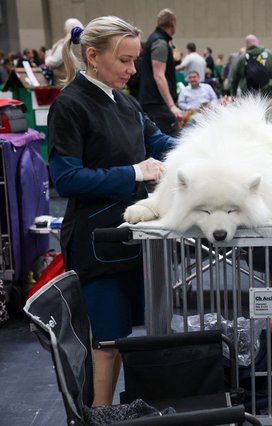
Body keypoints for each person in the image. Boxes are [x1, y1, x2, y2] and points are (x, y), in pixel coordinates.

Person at [47, 15, 175, 406]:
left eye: (135, 60)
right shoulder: (70, 106)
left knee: (123, 339)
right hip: (97, 243)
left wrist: (213, 145)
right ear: (92, 56)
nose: (132, 70)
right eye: (124, 60)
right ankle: (99, 416)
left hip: (132, 239)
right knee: (106, 342)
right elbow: (66, 178)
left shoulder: (126, 101)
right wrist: (134, 172)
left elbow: (160, 141)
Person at [138, 8, 182, 136]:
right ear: (173, 23)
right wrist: (172, 105)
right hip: (158, 103)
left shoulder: (155, 39)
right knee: (172, 140)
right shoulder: (160, 42)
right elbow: (159, 75)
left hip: (153, 101)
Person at [230, 34, 272, 119]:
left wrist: (233, 94)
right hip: (268, 95)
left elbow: (235, 79)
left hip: (249, 98)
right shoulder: (270, 54)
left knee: (251, 123)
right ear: (258, 42)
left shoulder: (242, 58)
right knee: (268, 122)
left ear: (246, 45)